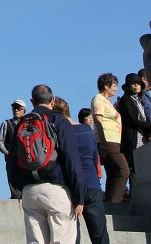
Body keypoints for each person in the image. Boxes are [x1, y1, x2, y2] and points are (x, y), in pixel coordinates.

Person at [8, 84, 85, 244]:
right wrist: (79, 195)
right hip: (56, 190)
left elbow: (12, 160)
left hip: (30, 191)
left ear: (32, 101)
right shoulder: (59, 120)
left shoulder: (23, 122)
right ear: (53, 100)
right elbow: (71, 159)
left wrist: (19, 189)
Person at [56, 99, 110, 244]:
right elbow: (94, 159)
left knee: (72, 236)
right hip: (92, 184)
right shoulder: (87, 130)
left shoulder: (59, 133)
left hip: (70, 187)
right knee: (100, 235)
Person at [91, 72, 129, 202]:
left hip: (114, 141)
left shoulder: (107, 102)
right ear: (106, 86)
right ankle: (115, 204)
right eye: (114, 85)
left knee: (113, 173)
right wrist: (103, 142)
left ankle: (109, 203)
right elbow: (98, 121)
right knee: (124, 171)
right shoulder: (99, 99)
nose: (116, 88)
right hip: (109, 141)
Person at [116, 73, 151, 189]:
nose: (136, 86)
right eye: (133, 84)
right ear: (128, 86)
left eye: (138, 83)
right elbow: (132, 119)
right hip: (133, 137)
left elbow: (144, 117)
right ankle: (135, 195)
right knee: (134, 167)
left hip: (143, 137)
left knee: (144, 167)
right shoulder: (125, 100)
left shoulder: (141, 100)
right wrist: (149, 126)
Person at [0, 99, 26, 199]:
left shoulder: (27, 124)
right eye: (14, 108)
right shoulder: (6, 123)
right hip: (12, 160)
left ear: (24, 110)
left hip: (26, 161)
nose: (16, 110)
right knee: (15, 191)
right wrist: (7, 153)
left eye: (19, 108)